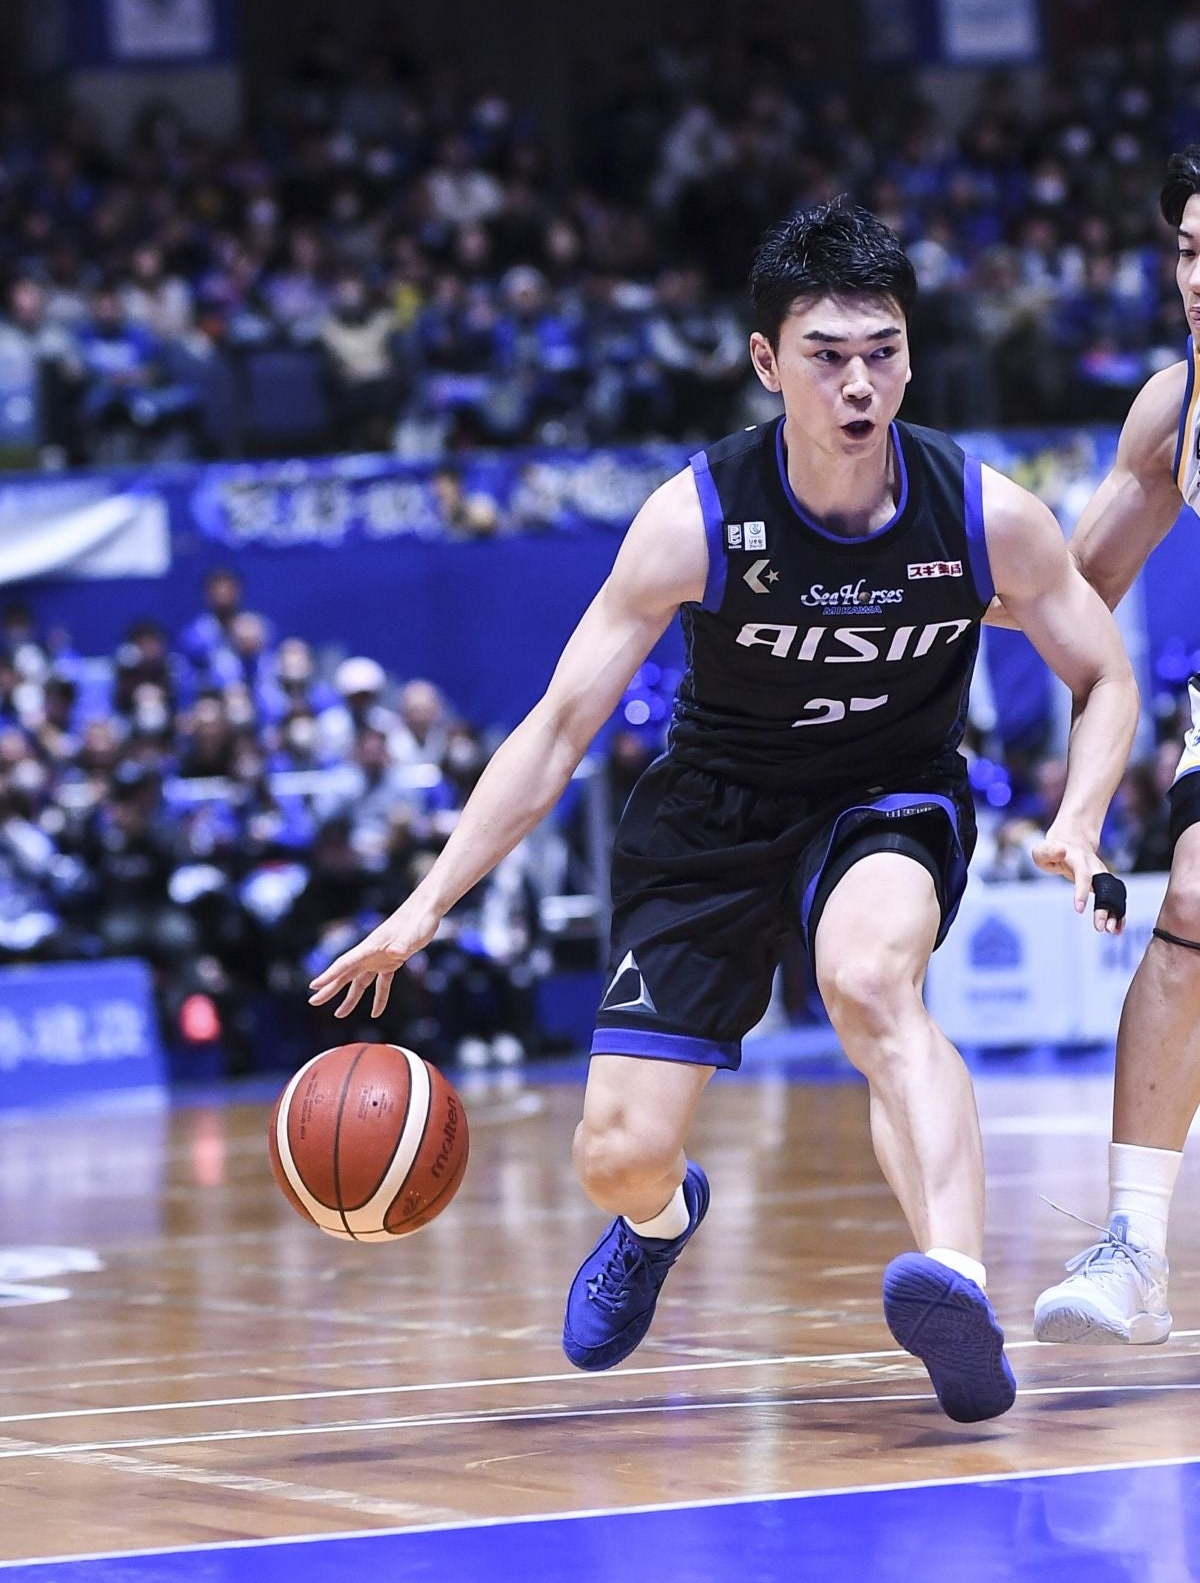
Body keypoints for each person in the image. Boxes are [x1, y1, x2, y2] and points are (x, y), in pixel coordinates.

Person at [310, 202, 1137, 1425]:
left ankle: (957, 1282)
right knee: (617, 1150)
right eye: (826, 355)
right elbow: (557, 726)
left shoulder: (983, 512)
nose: (859, 383)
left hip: (887, 795)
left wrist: (1082, 815)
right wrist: (428, 903)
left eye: (883, 352)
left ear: (911, 355)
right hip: (712, 813)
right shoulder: (694, 517)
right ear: (766, 360)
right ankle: (658, 1216)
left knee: (871, 981)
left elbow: (1105, 671)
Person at [1032, 146, 1200, 1346]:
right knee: (1190, 905)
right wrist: (918, 577)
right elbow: (1075, 585)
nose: (1199, 278)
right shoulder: (1174, 407)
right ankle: (1135, 1248)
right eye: (1189, 251)